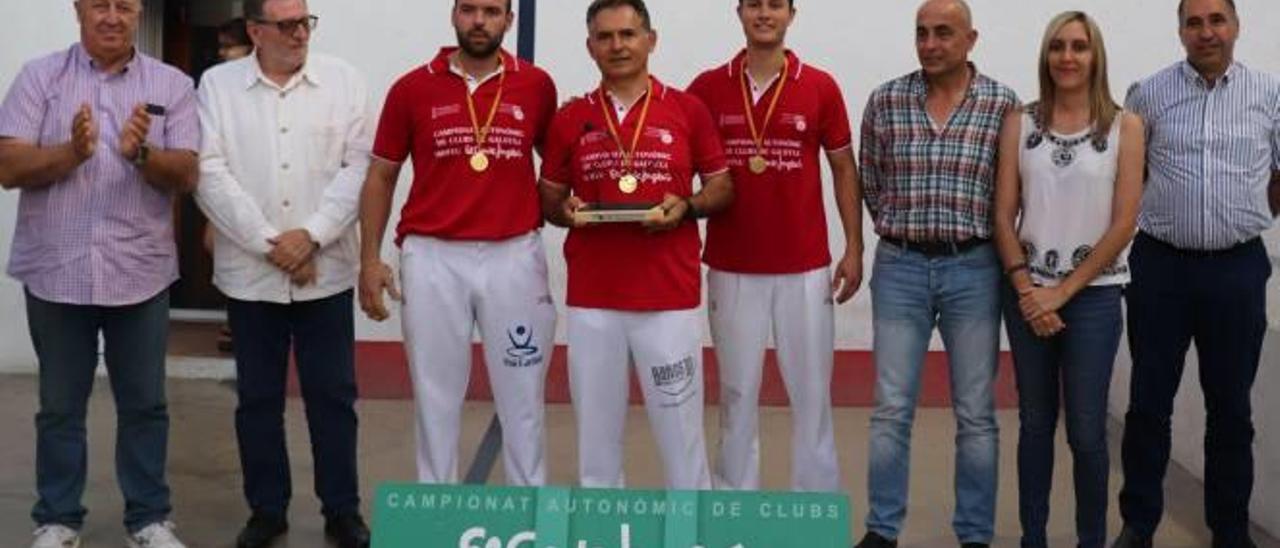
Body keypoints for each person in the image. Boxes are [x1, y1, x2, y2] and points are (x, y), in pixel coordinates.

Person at [0, 0, 199, 546]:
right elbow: (8, 166)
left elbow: (185, 172)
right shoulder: (40, 77)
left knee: (146, 404)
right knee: (60, 406)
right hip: (57, 270)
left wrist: (140, 156)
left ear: (138, 12)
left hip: (139, 271)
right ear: (78, 10)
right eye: (99, 5)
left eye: (124, 6)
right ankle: (58, 519)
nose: (112, 16)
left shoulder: (172, 83)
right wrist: (72, 152)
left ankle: (150, 519)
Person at [194, 0, 373, 546]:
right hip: (252, 276)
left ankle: (341, 509)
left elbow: (358, 167)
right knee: (257, 399)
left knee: (334, 397)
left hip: (326, 271)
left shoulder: (345, 81)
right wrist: (271, 244)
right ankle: (267, 509)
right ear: (255, 31)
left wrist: (312, 235)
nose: (300, 34)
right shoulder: (218, 86)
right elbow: (208, 170)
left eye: (306, 23)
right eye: (287, 25)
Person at [359, 0, 558, 486]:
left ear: (509, 21)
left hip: (514, 254)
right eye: (469, 9)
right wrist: (369, 259)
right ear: (453, 15)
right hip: (432, 256)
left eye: (492, 11)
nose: (479, 21)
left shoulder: (536, 84)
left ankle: (527, 512)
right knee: (435, 394)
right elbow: (382, 176)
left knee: (522, 393)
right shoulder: (411, 87)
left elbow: (557, 167)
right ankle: (437, 511)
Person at [539, 0, 733, 490]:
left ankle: (691, 539)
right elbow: (549, 198)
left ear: (651, 39)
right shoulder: (571, 118)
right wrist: (564, 212)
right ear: (590, 47)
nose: (617, 45)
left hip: (667, 299)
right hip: (592, 303)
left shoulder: (688, 109)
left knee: (681, 438)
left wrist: (686, 206)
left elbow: (722, 187)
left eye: (627, 34)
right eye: (605, 37)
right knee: (596, 447)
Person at [1112, 1, 1280, 547]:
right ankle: (1139, 524)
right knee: (1148, 402)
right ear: (1180, 30)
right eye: (1194, 22)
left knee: (1230, 407)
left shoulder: (1269, 94)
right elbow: (1129, 175)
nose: (1206, 32)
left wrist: (1243, 220)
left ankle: (1230, 530)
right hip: (1161, 268)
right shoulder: (1148, 93)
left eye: (1217, 20)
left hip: (1237, 269)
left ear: (1236, 26)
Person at [855, 1, 1018, 546]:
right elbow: (870, 182)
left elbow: (1010, 193)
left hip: (974, 267)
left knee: (975, 413)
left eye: (943, 33)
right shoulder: (886, 100)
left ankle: (974, 534)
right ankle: (882, 530)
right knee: (891, 409)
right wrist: (903, 231)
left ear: (971, 39)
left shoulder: (1002, 105)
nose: (930, 44)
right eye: (921, 33)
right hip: (899, 266)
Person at [686, 0, 863, 493]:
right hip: (731, 265)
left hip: (805, 268)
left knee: (811, 396)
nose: (764, 14)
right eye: (754, 5)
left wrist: (854, 246)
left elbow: (843, 168)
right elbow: (674, 156)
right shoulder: (706, 87)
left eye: (774, 5)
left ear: (791, 14)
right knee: (737, 394)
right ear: (739, 12)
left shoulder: (821, 85)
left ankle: (814, 506)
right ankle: (734, 505)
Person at [991, 11, 1144, 548]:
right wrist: (1028, 290)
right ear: (1045, 55)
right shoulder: (1019, 122)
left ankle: (1089, 540)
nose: (1068, 57)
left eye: (1079, 46)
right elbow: (1002, 214)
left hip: (1094, 299)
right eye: (1057, 46)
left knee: (1085, 432)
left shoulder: (1126, 126)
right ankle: (1033, 537)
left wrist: (1064, 290)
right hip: (1027, 297)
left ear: (1095, 55)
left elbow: (1123, 222)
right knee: (1035, 427)